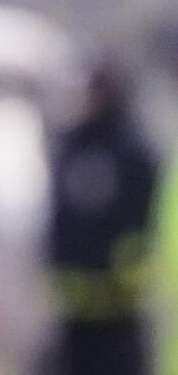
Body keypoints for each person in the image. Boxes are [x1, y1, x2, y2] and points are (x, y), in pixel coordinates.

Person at [46, 66, 159, 375]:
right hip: (71, 314)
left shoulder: (135, 152)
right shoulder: (70, 145)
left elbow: (144, 222)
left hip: (120, 311)